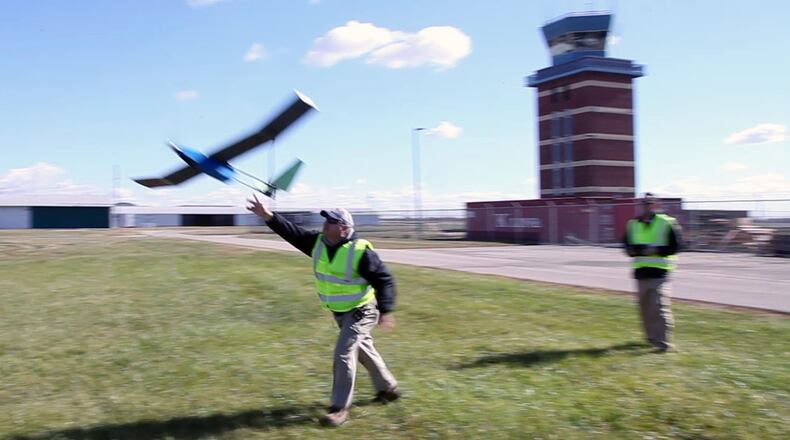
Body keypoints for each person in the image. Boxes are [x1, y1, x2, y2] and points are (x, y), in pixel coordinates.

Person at [246, 194, 400, 427]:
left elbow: (384, 280)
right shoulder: (318, 244)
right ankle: (388, 388)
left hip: (362, 309)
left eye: (331, 222)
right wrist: (268, 215)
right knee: (363, 349)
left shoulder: (360, 251)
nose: (325, 225)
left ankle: (339, 409)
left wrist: (386, 311)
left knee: (344, 352)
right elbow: (292, 232)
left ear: (344, 229)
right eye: (325, 221)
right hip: (340, 311)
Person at [623, 192, 682, 352]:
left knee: (660, 306)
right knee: (645, 308)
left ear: (654, 205)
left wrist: (655, 249)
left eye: (648, 204)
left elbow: (676, 247)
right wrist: (637, 251)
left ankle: (664, 342)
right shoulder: (632, 224)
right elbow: (627, 246)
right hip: (641, 272)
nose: (644, 207)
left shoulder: (667, 222)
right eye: (642, 204)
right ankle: (651, 338)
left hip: (660, 272)